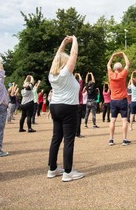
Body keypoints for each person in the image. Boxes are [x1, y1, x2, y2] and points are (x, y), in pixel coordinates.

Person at [47, 36, 85, 182]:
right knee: (69, 140)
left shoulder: (52, 75)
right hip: (68, 108)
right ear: (64, 63)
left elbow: (57, 58)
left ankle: (52, 168)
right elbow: (74, 54)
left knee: (56, 138)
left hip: (55, 107)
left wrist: (63, 43)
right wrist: (75, 40)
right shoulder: (65, 73)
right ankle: (68, 172)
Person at [107, 52, 131, 146]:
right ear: (121, 69)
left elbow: (108, 64)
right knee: (124, 120)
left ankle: (111, 139)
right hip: (122, 100)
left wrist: (112, 56)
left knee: (113, 120)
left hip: (113, 100)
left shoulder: (111, 75)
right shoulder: (122, 75)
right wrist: (124, 54)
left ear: (114, 69)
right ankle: (124, 139)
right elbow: (128, 64)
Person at [75, 73, 85, 138]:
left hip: (73, 104)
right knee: (78, 120)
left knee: (73, 120)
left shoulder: (71, 87)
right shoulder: (79, 87)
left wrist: (74, 76)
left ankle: (73, 132)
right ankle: (77, 133)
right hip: (79, 104)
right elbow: (81, 81)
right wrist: (79, 74)